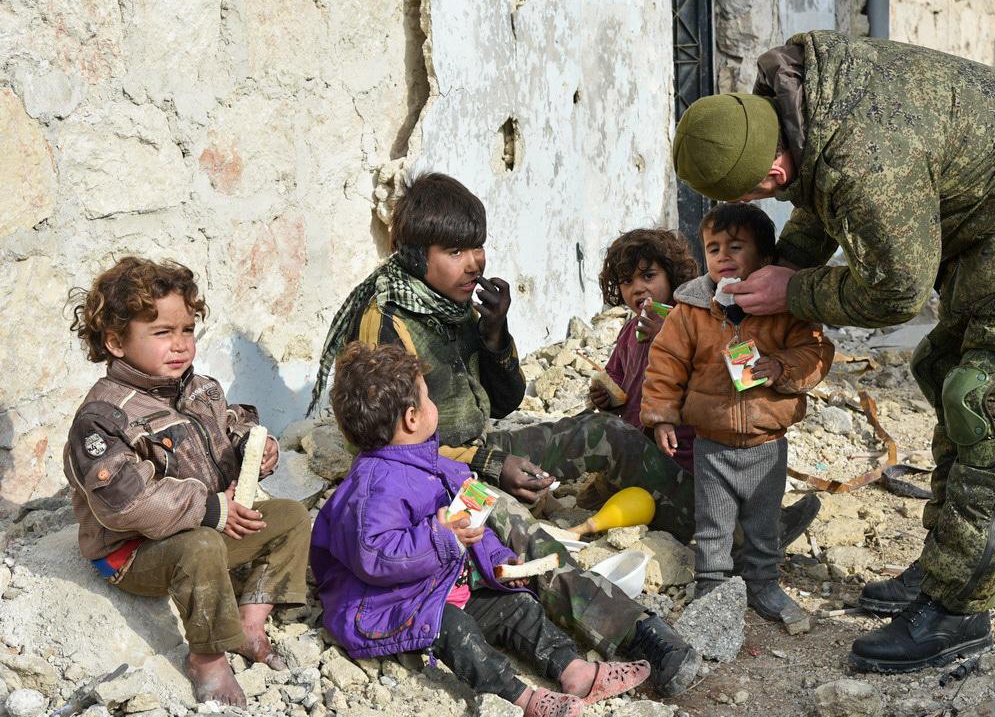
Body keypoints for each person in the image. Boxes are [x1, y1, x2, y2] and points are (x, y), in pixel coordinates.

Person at [671, 30, 995, 672]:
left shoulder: (865, 155)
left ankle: (959, 608)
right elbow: (823, 196)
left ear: (771, 171)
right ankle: (945, 563)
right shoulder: (793, 106)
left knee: (985, 399)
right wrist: (777, 271)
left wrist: (794, 290)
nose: (764, 203)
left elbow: (894, 290)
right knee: (941, 367)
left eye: (757, 198)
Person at [309, 173, 699, 696]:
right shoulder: (387, 320)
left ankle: (712, 524)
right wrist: (490, 468)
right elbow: (382, 446)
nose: (475, 261)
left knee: (604, 433)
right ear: (414, 254)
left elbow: (507, 401)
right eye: (455, 250)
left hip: (481, 447)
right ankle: (637, 633)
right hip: (431, 475)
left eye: (478, 245)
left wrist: (495, 335)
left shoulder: (456, 304)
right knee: (511, 527)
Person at [310, 343, 651, 717]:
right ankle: (522, 699)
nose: (433, 403)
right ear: (411, 418)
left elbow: (472, 526)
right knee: (458, 632)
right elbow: (375, 556)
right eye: (428, 396)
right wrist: (439, 538)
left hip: (446, 584)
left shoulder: (435, 465)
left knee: (518, 608)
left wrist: (497, 559)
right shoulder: (373, 488)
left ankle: (577, 672)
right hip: (396, 605)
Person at [63, 257, 311, 706]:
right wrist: (212, 508)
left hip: (207, 526)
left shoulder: (199, 389)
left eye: (187, 331)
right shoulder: (102, 420)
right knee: (202, 546)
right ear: (116, 342)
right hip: (134, 553)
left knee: (291, 516)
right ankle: (208, 656)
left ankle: (250, 622)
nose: (180, 345)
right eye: (162, 333)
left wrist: (257, 448)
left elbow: (230, 427)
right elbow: (126, 504)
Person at [641, 204, 834, 631]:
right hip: (712, 442)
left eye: (736, 246)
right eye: (713, 247)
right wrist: (662, 417)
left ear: (764, 259)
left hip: (767, 443)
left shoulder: (785, 309)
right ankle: (711, 586)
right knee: (713, 524)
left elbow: (816, 352)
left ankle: (763, 584)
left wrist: (781, 366)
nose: (723, 255)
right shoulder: (691, 310)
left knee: (763, 523)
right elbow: (666, 364)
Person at [590, 227, 821, 545]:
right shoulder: (629, 333)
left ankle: (763, 528)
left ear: (671, 276)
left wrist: (672, 339)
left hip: (694, 457)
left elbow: (730, 380)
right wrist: (606, 395)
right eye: (627, 281)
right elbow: (618, 381)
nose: (637, 288)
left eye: (648, 276)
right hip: (644, 453)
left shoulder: (694, 321)